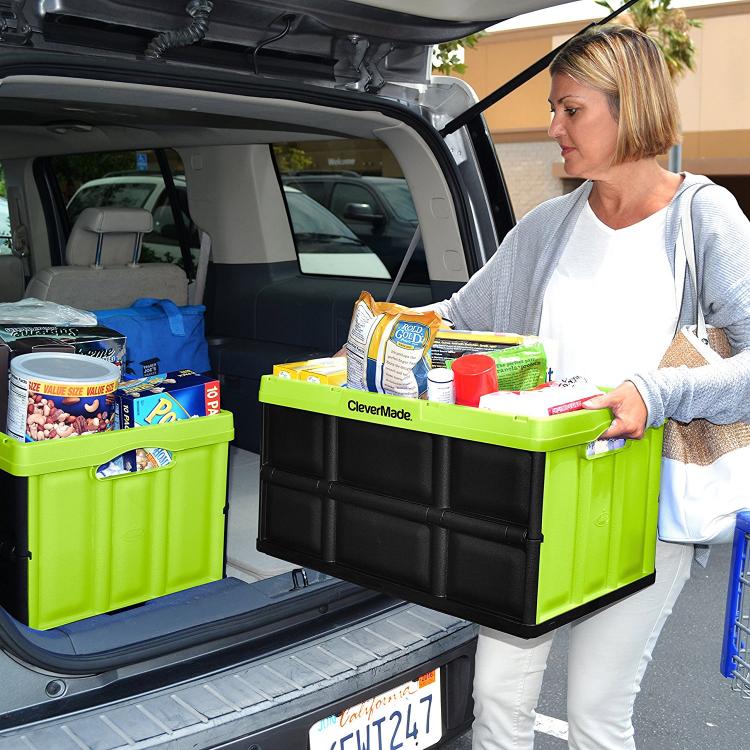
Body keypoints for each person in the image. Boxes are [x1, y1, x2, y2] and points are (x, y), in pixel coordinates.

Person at [432, 25, 750, 750]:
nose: (553, 127)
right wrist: (385, 328)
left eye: (570, 109)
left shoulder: (704, 220)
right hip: (531, 495)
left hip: (644, 507)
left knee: (597, 714)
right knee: (497, 700)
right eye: (553, 108)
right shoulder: (548, 226)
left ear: (627, 105)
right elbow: (458, 318)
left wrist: (654, 393)